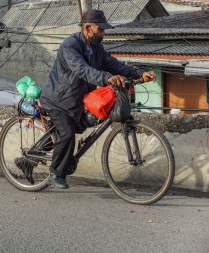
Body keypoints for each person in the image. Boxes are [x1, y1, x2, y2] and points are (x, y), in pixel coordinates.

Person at [38, 9, 156, 189]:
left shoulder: (97, 48)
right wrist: (106, 78)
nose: (103, 33)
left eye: (103, 30)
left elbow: (114, 64)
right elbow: (82, 69)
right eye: (100, 29)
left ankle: (39, 152)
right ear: (87, 28)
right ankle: (56, 172)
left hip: (79, 100)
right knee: (67, 133)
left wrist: (140, 73)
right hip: (58, 100)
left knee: (84, 123)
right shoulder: (70, 46)